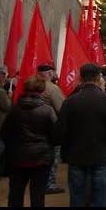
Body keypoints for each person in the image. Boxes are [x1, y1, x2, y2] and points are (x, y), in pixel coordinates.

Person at [57, 63, 106, 207]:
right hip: (101, 154)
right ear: (98, 78)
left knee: (77, 195)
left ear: (80, 78)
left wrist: (66, 151)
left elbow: (61, 131)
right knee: (100, 195)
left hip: (76, 155)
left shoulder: (69, 102)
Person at [1, 76, 58, 207]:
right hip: (41, 158)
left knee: (15, 193)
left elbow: (4, 133)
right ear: (42, 90)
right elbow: (56, 136)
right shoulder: (47, 110)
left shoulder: (14, 109)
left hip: (16, 157)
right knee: (38, 195)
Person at [37, 64, 66, 194]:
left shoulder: (32, 85)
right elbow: (61, 108)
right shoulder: (52, 89)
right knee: (53, 157)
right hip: (49, 126)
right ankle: (49, 184)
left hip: (33, 126)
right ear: (49, 73)